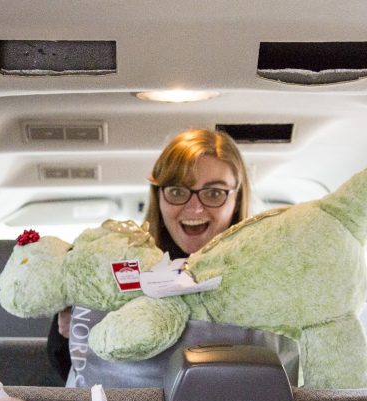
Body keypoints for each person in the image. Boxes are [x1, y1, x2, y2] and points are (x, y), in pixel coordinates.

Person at [47, 128, 252, 381]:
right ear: (159, 197)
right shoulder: (121, 265)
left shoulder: (263, 275)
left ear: (236, 198)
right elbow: (78, 377)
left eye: (214, 193)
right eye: (177, 191)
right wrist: (68, 330)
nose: (195, 208)